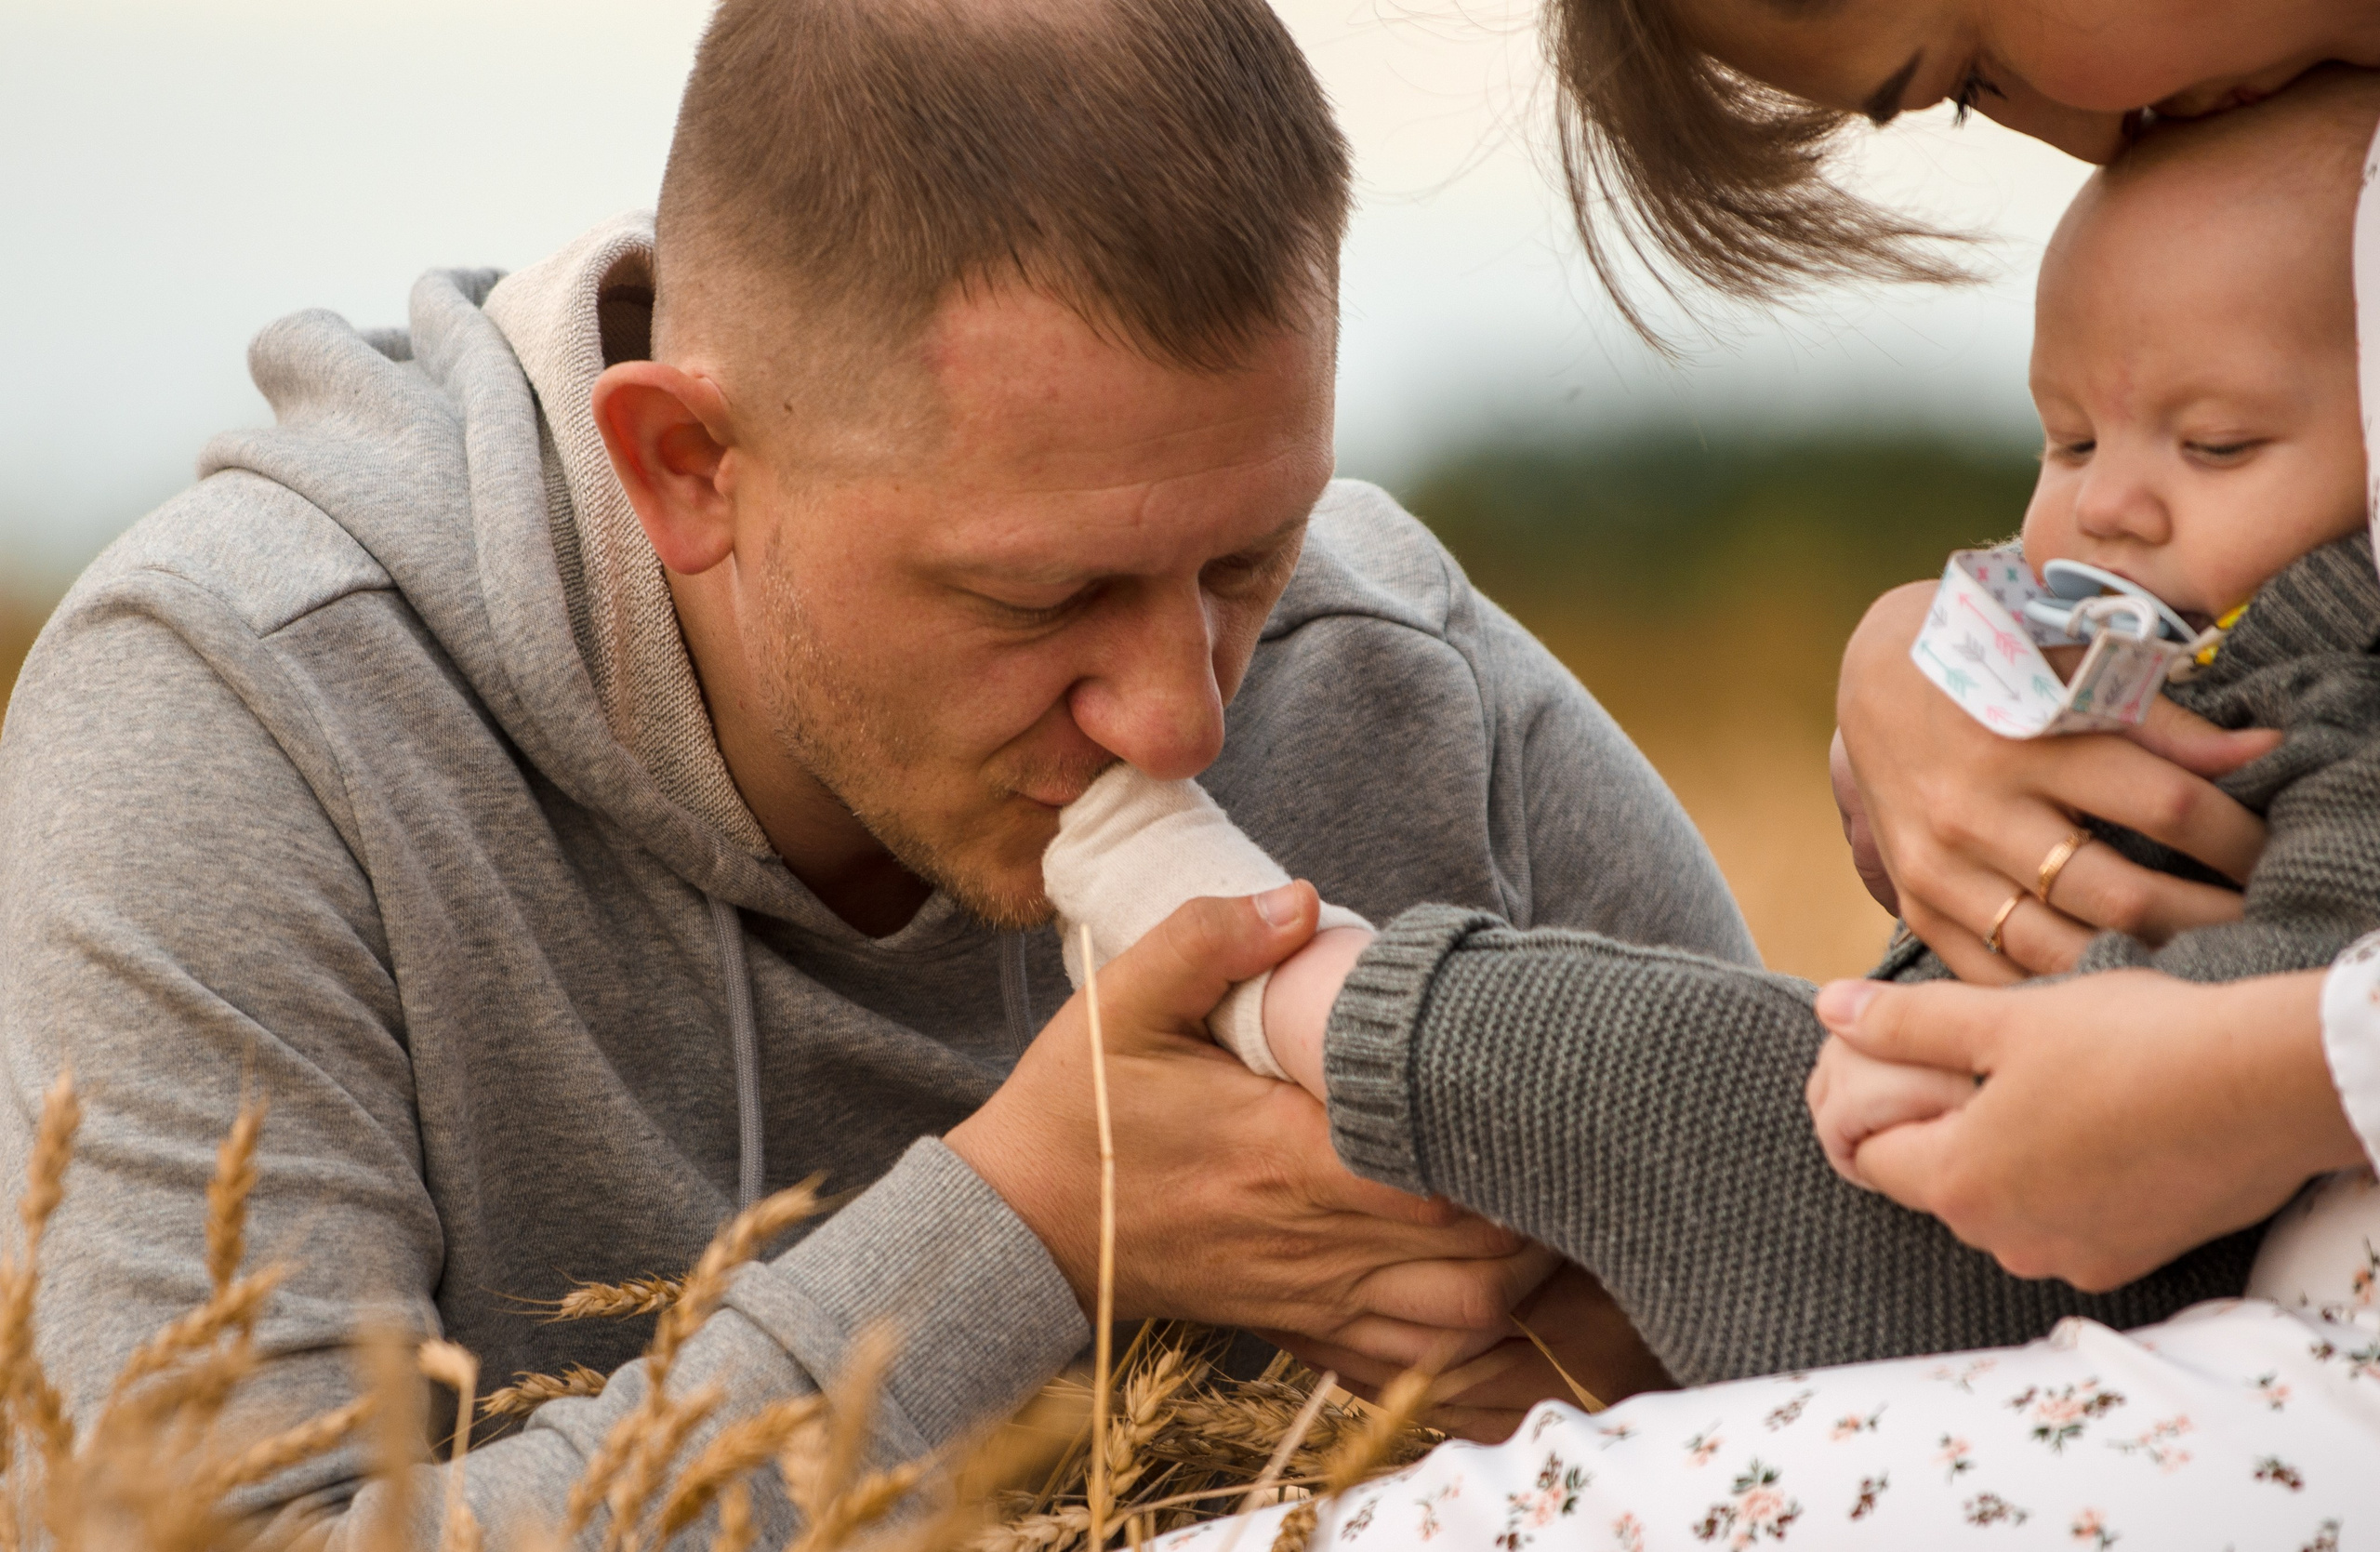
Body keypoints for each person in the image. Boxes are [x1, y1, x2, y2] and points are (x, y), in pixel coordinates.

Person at [0, 0, 1760, 1542]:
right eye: (1042, 594)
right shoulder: (241, 714)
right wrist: (1037, 1231)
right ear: (687, 464)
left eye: (1244, 560)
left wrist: (1621, 1334)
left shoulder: (1405, 684)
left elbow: (1931, 1378)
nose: (1180, 718)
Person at [1105, 73, 2380, 1547]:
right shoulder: (2184, 643)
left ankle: (1326, 996)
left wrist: (2020, 1067)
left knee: (1663, 1068)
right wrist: (1909, 655)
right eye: (2069, 441)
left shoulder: (2334, 707)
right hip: (1989, 1220)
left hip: (2052, 1220)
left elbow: (2310, 952)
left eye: (2213, 445)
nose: (2110, 509)